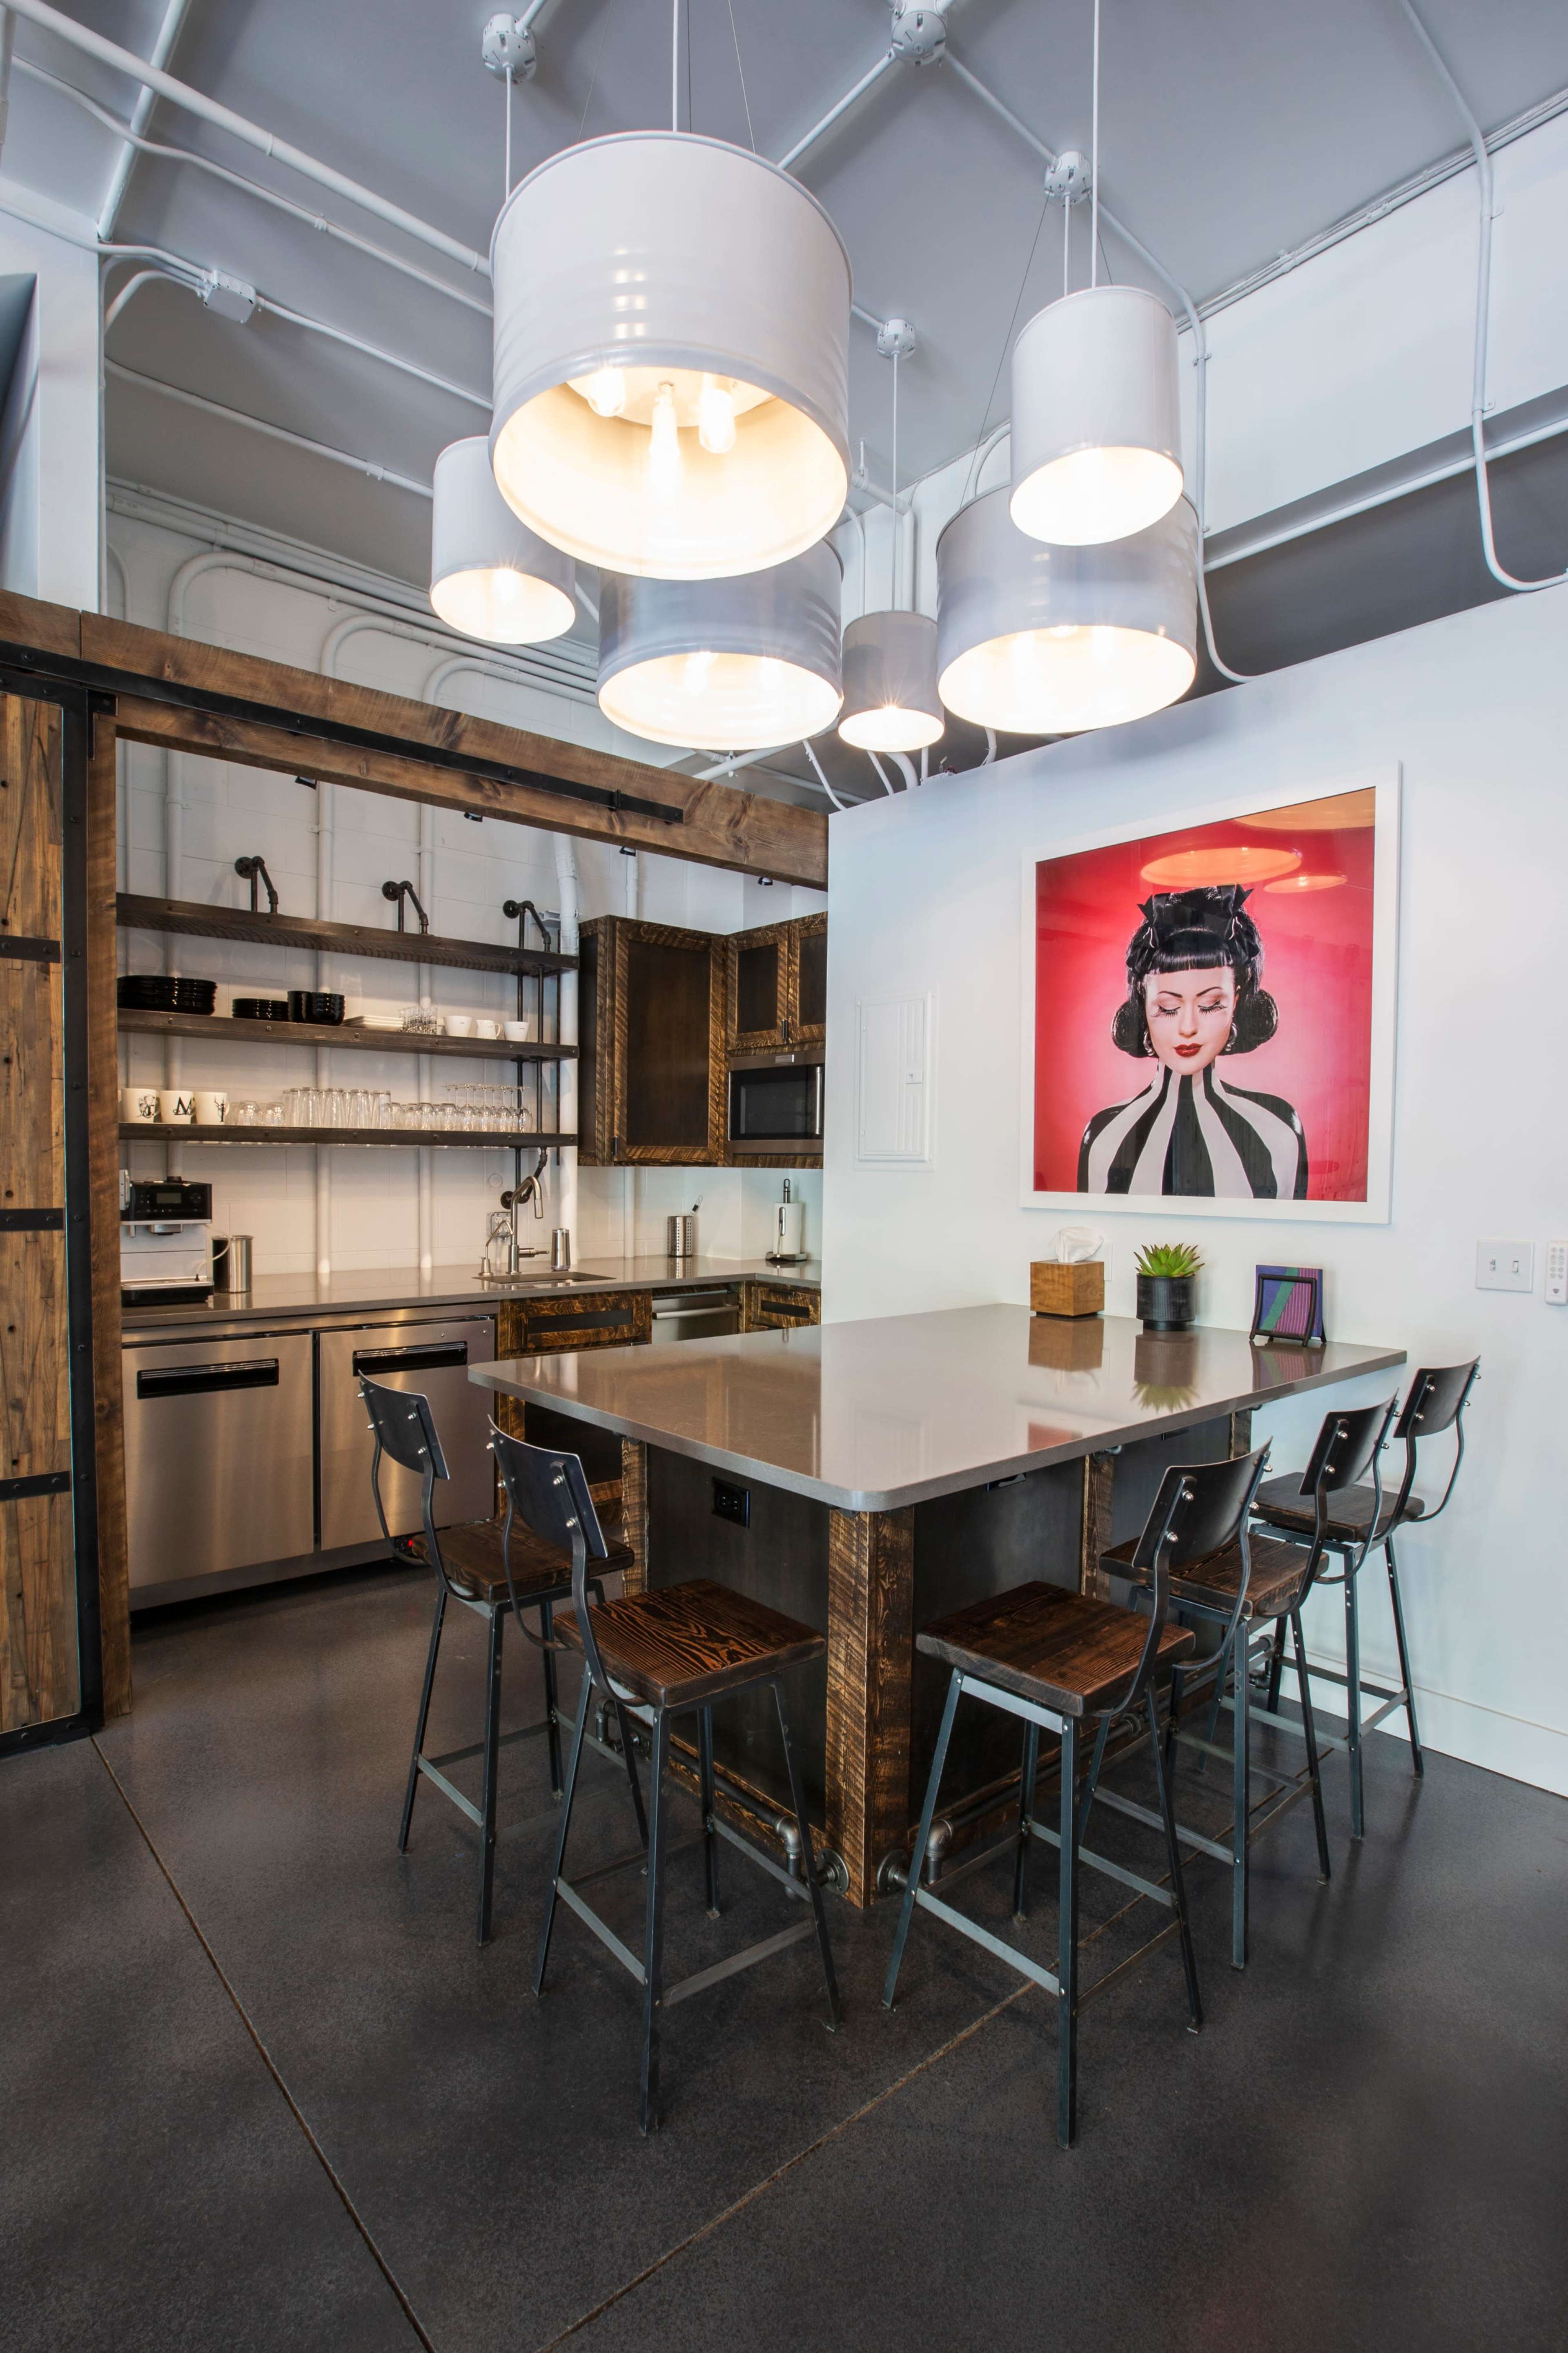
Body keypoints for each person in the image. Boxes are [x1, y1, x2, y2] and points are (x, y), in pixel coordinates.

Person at [1076, 885, 1307, 1198]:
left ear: (1236, 1002)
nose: (1189, 1027)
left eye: (1211, 1005)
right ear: (1144, 1005)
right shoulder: (1105, 1134)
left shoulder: (1277, 1128)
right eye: (1168, 1008)